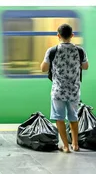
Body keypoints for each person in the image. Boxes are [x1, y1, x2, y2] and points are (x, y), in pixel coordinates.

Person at [40, 23, 88, 153]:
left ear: (58, 35)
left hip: (58, 91)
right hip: (74, 91)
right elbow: (85, 66)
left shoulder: (52, 51)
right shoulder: (80, 51)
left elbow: (43, 68)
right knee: (73, 117)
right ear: (72, 35)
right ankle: (75, 144)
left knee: (59, 117)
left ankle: (66, 146)